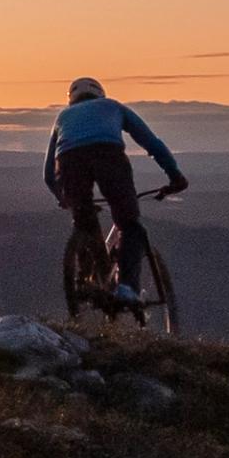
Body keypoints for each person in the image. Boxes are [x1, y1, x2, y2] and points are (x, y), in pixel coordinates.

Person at [45, 75, 183, 304]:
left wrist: (62, 197)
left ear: (72, 99)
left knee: (84, 220)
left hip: (69, 163)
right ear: (100, 93)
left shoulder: (62, 117)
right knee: (129, 224)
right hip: (108, 157)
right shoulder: (112, 106)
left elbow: (48, 174)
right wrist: (175, 176)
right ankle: (127, 288)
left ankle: (87, 281)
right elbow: (152, 143)